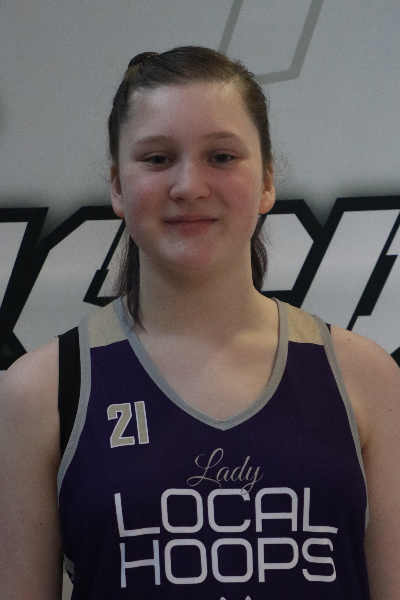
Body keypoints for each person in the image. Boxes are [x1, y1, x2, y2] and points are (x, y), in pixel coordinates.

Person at [0, 46, 399, 600]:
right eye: (158, 158)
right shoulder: (41, 391)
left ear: (267, 181)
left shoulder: (364, 376)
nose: (188, 185)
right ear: (117, 185)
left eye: (221, 156)